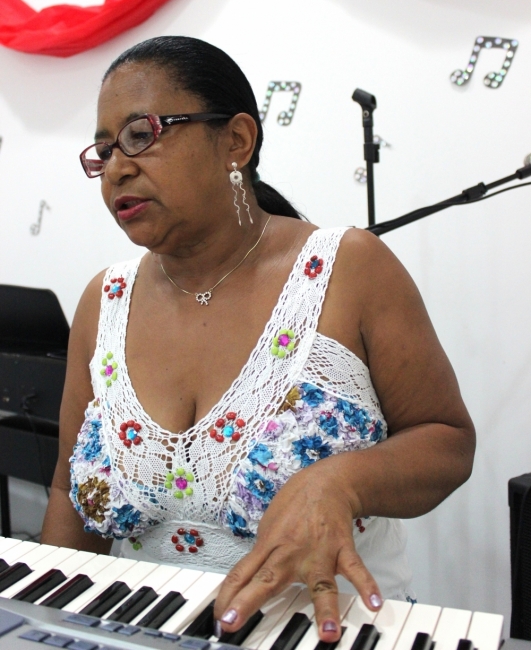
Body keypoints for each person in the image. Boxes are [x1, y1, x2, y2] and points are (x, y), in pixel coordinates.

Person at [41, 35, 475, 642]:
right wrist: (48, 626)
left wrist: (340, 480)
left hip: (330, 630)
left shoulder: (347, 268)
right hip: (149, 631)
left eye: (141, 134)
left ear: (236, 141)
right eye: (104, 150)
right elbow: (69, 487)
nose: (117, 166)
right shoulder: (104, 301)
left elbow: (448, 442)